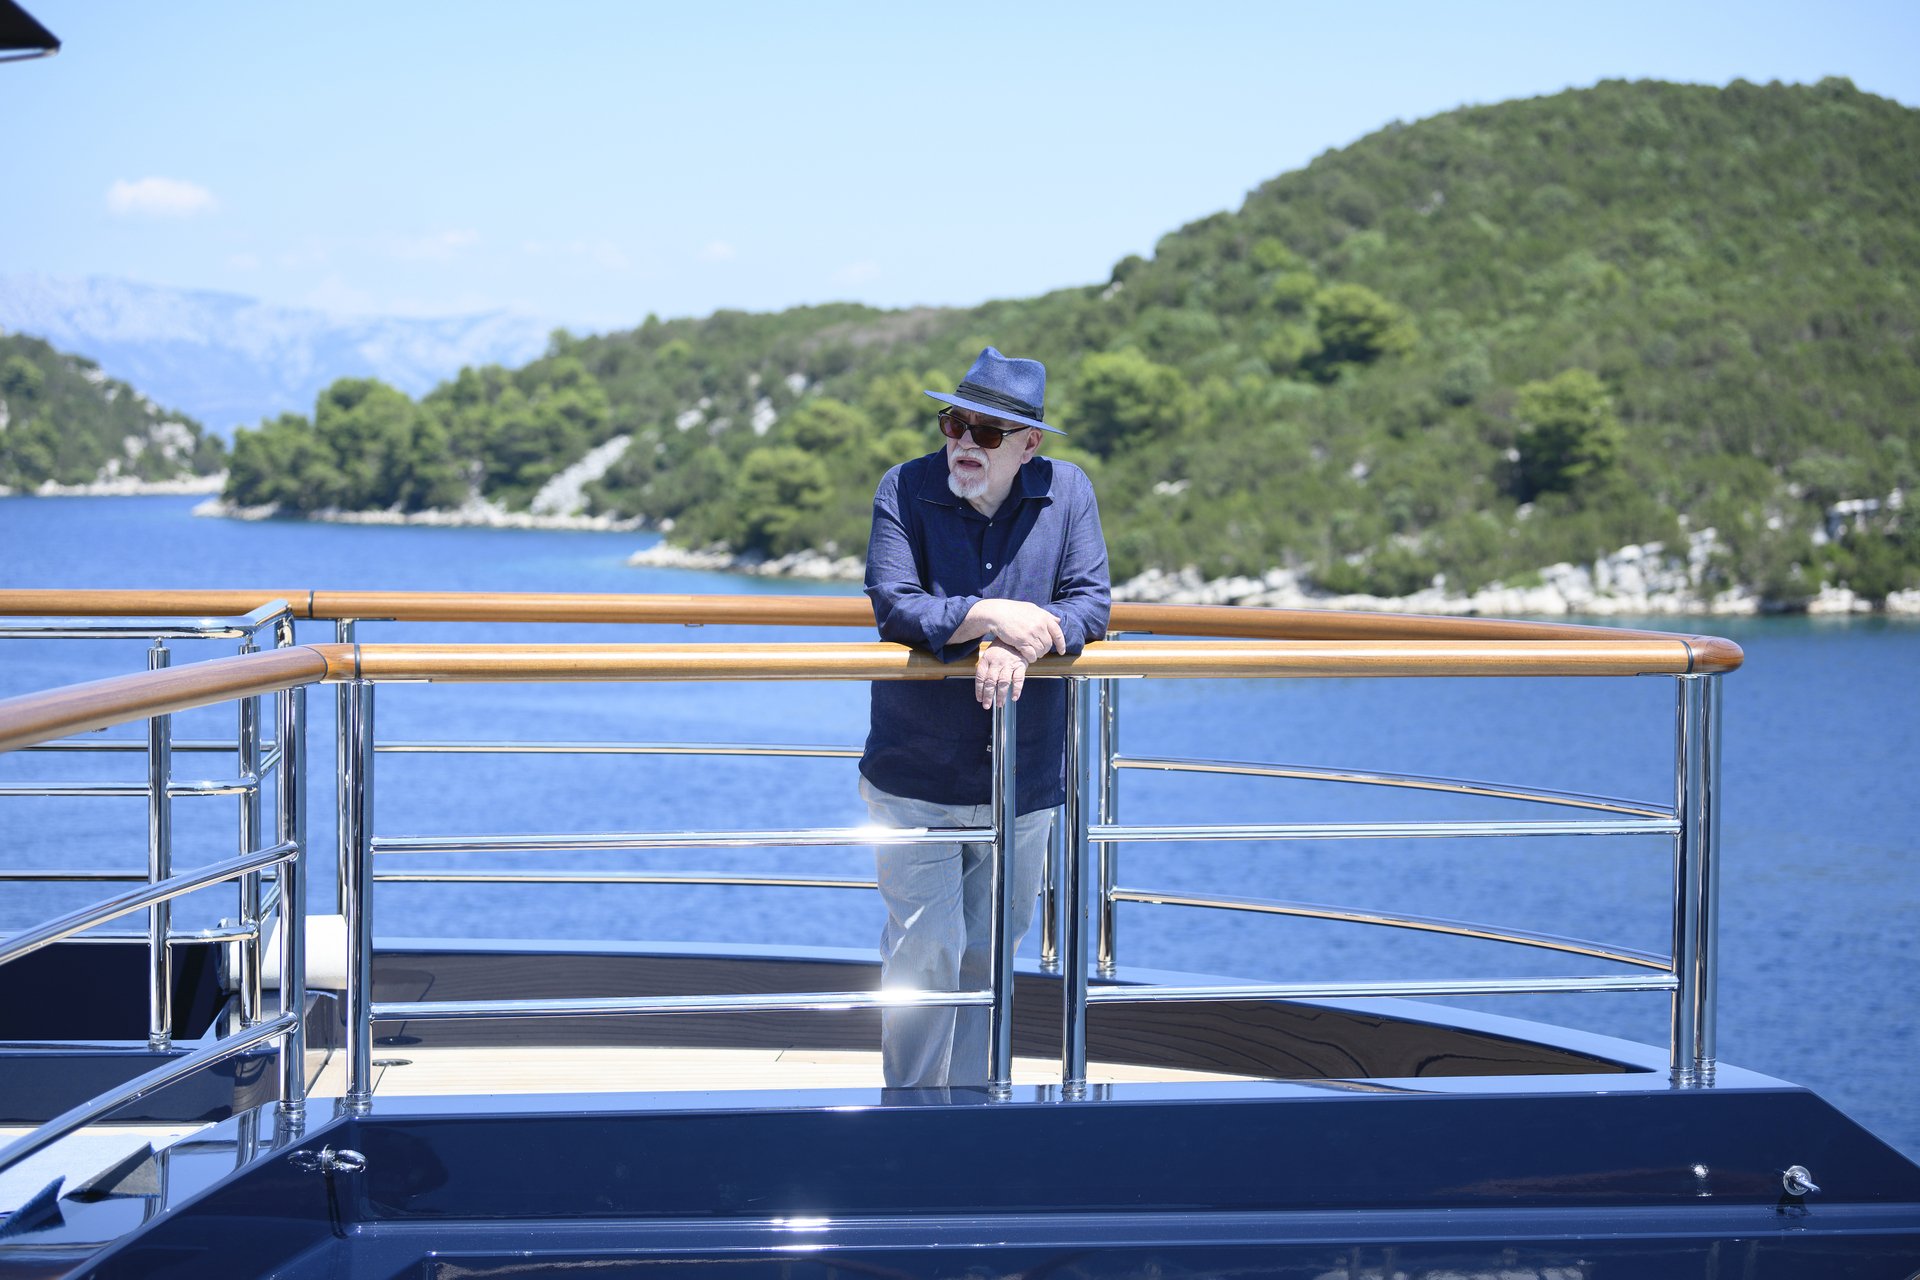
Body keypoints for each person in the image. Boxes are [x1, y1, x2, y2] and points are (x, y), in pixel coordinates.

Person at [859, 346, 1110, 1089]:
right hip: (915, 775)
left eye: (988, 432)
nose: (964, 442)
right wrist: (988, 614)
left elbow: (1090, 604)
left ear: (1028, 445)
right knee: (928, 947)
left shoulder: (1067, 492)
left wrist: (1023, 640)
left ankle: (968, 1109)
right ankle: (908, 1110)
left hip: (1024, 779)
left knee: (990, 953)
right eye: (954, 422)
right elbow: (895, 604)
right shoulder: (904, 487)